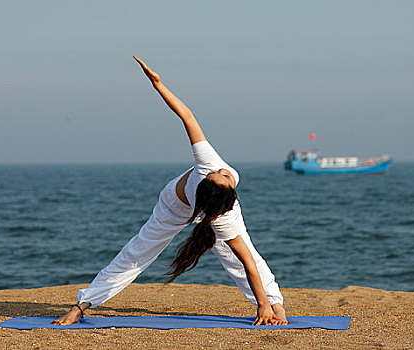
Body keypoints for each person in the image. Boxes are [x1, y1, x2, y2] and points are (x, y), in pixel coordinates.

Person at [53, 57, 287, 326]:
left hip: (212, 209)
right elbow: (186, 116)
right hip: (173, 207)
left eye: (223, 176)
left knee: (243, 256)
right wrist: (158, 85)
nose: (223, 171)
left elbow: (247, 262)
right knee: (136, 255)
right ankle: (82, 305)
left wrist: (266, 306)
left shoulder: (224, 213)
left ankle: (276, 304)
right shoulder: (206, 166)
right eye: (220, 174)